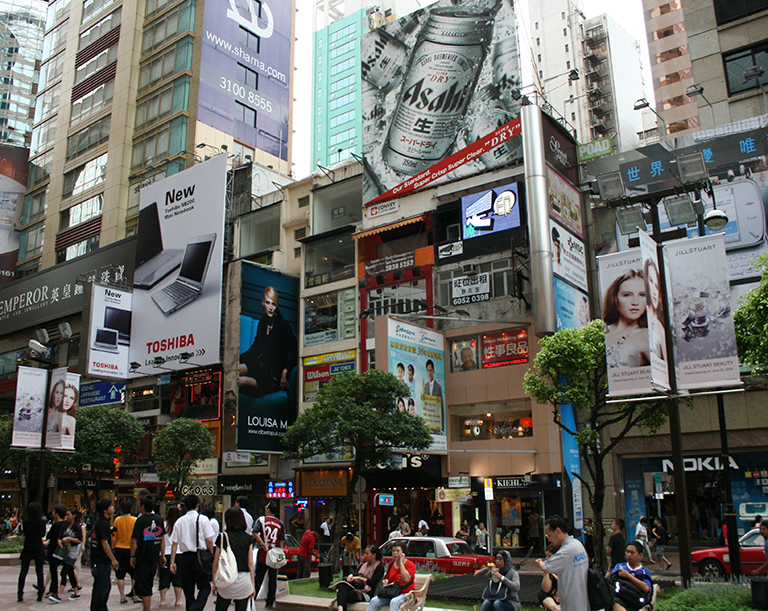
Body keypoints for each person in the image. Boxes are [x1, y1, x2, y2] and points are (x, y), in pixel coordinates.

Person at [239, 286, 297, 398]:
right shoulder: (263, 322)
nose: (270, 307)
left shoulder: (283, 326)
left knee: (239, 381)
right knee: (232, 372)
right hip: (259, 366)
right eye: (267, 303)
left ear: (277, 305)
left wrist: (285, 371)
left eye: (273, 304)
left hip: (272, 376)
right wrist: (237, 360)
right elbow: (255, 349)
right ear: (263, 303)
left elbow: (296, 351)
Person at [170, 494, 215, 611]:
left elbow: (174, 543)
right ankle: (196, 607)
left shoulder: (179, 521)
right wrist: (212, 553)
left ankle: (191, 606)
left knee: (188, 588)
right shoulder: (203, 519)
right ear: (197, 505)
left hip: (185, 557)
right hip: (200, 556)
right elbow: (209, 539)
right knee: (205, 587)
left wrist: (172, 561)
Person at [535, 516, 588, 611]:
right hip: (583, 600)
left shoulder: (566, 551)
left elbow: (546, 567)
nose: (549, 539)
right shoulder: (578, 544)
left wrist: (539, 561)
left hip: (572, 604)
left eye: (549, 535)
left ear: (558, 531)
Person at [603, 270, 650, 369]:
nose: (635, 302)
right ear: (615, 298)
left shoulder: (647, 335)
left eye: (642, 295)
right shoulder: (599, 332)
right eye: (627, 295)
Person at [212, 507, 254, 611]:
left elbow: (216, 562)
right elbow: (250, 562)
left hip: (226, 579)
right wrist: (252, 584)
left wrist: (214, 582)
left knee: (221, 607)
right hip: (244, 580)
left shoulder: (222, 537)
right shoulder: (248, 538)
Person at [130, 496, 166, 611]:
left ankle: (147, 609)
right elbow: (162, 538)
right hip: (154, 557)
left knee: (144, 583)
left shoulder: (140, 520)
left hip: (143, 557)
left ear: (143, 507)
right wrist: (162, 555)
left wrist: (132, 556)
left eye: (139, 504)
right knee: (148, 581)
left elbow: (134, 540)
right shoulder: (159, 519)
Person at [253, 500, 285, 609]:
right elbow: (281, 541)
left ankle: (252, 598)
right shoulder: (280, 524)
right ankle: (270, 601)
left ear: (268, 509)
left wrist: (262, 544)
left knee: (259, 577)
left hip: (263, 554)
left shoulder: (261, 520)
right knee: (273, 578)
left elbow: (254, 532)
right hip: (274, 555)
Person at [365, 542, 416, 611]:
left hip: (406, 594)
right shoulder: (391, 564)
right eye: (393, 551)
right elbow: (387, 578)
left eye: (397, 551)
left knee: (394, 602)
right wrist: (386, 581)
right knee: (374, 600)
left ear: (403, 552)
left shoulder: (410, 565)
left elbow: (406, 579)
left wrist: (401, 563)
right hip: (392, 593)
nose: (395, 553)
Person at [331, 545, 384, 611]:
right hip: (357, 588)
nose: (364, 555)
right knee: (343, 586)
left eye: (367, 553)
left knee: (343, 594)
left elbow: (372, 583)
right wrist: (351, 576)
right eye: (364, 553)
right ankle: (340, 609)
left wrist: (360, 578)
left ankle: (340, 608)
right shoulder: (363, 566)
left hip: (367, 593)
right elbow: (355, 574)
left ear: (374, 555)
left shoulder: (379, 568)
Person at [89, 498, 119, 611]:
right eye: (110, 506)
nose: (112, 508)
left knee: (103, 586)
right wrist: (113, 559)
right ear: (105, 510)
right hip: (101, 560)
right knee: (102, 587)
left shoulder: (102, 522)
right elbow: (104, 543)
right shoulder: (102, 523)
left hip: (99, 560)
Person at [17, 501, 46, 602]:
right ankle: (40, 594)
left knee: (23, 571)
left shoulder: (25, 521)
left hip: (28, 546)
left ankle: (20, 593)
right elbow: (42, 535)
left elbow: (25, 532)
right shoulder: (42, 521)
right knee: (39, 572)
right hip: (38, 546)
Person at [610, 541, 653, 611]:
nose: (629, 555)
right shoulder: (620, 567)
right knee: (615, 601)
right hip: (620, 599)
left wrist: (628, 575)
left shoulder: (644, 572)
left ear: (640, 555)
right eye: (627, 552)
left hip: (636, 601)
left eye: (632, 553)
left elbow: (646, 588)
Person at [53, 507, 83, 602]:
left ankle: (59, 594)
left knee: (64, 572)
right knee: (70, 572)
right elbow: (59, 536)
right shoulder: (65, 526)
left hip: (73, 552)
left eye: (68, 515)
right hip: (65, 552)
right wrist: (60, 543)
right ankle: (76, 592)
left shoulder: (77, 527)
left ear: (74, 516)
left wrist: (69, 539)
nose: (67, 517)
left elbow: (79, 540)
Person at [113, 499, 138, 604]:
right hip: (131, 550)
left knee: (120, 574)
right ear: (131, 509)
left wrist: (113, 549)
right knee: (134, 574)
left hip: (119, 548)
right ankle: (135, 595)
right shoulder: (135, 520)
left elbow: (114, 536)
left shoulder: (117, 520)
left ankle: (122, 596)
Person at [159, 504, 183, 608]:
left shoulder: (164, 525)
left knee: (164, 577)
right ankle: (178, 600)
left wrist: (162, 554)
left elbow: (162, 540)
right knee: (177, 578)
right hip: (178, 553)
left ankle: (162, 600)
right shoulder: (180, 524)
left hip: (165, 553)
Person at [643, 258, 667, 361]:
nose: (654, 291)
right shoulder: (637, 318)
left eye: (657, 286)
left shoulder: (659, 328)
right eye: (651, 281)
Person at [45, 505, 67, 600]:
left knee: (53, 570)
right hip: (63, 549)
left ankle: (53, 589)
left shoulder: (56, 525)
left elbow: (49, 535)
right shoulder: (65, 525)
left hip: (54, 549)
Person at [537, 546, 559, 611]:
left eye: (549, 556)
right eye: (546, 556)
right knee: (541, 593)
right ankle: (555, 609)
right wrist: (546, 572)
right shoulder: (551, 571)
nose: (547, 559)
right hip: (555, 601)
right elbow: (546, 590)